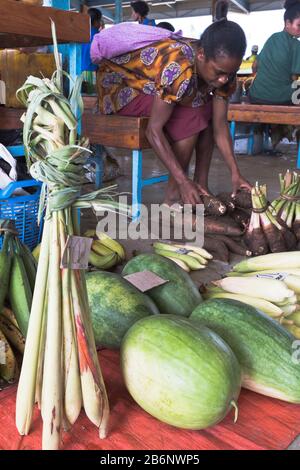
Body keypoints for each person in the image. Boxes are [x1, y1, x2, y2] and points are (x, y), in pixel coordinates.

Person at [96, 10, 251, 206]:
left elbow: (220, 125)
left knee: (206, 112)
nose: (224, 79)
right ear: (201, 55)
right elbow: (154, 131)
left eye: (230, 73)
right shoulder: (178, 68)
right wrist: (182, 181)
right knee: (192, 115)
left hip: (154, 88)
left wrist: (235, 173)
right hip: (120, 88)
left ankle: (201, 186)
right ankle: (173, 195)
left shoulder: (226, 73)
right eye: (219, 72)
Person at [249, 0, 300, 105]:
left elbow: (254, 65)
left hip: (255, 96)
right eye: (299, 25)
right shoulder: (296, 45)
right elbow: (294, 78)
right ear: (287, 23)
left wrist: (263, 83)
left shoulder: (272, 37)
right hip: (280, 100)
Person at [81, 8, 103, 93]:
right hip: (91, 72)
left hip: (80, 72)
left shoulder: (82, 34)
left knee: (82, 99)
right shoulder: (98, 36)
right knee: (92, 98)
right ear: (97, 22)